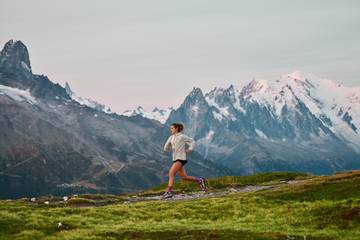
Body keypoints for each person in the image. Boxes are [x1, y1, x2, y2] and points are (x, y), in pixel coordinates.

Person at [162, 122, 206, 199]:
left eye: (172, 128)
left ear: (176, 128)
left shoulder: (182, 137)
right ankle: (200, 180)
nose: (170, 129)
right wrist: (167, 147)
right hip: (175, 159)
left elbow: (192, 141)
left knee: (171, 173)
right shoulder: (171, 137)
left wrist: (190, 149)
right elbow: (165, 148)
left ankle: (169, 192)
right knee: (184, 177)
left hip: (181, 158)